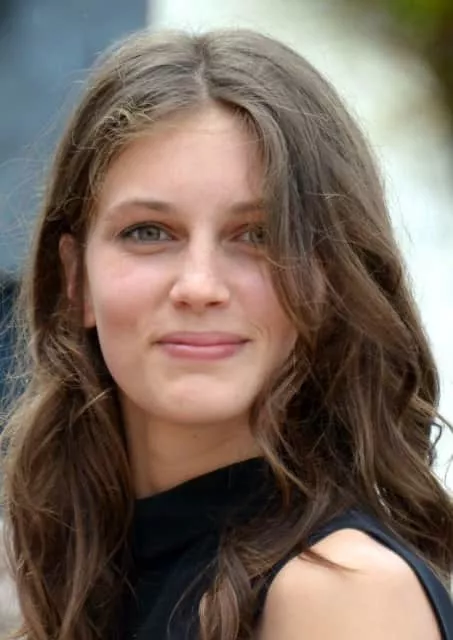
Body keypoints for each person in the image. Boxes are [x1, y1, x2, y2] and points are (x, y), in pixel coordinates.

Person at [1, 28, 452, 640]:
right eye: (148, 232)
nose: (199, 285)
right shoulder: (83, 577)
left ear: (331, 279)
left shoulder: (342, 592)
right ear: (76, 278)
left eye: (258, 236)